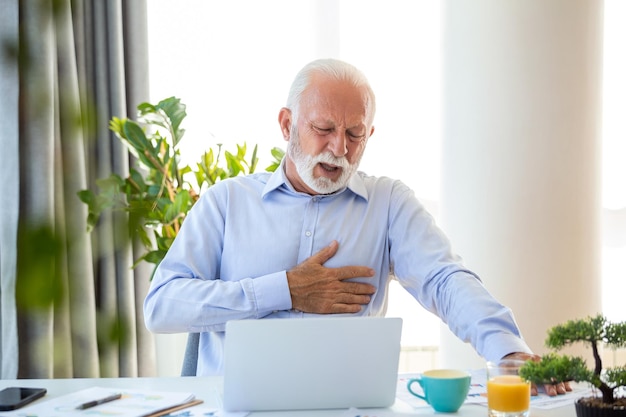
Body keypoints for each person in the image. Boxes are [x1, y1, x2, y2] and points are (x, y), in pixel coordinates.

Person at [144, 58, 567, 396]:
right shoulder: (227, 200)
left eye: (355, 134)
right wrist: (286, 289)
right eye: (323, 129)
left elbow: (444, 278)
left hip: (350, 409)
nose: (339, 148)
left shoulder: (388, 202)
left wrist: (509, 350)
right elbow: (162, 305)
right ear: (287, 125)